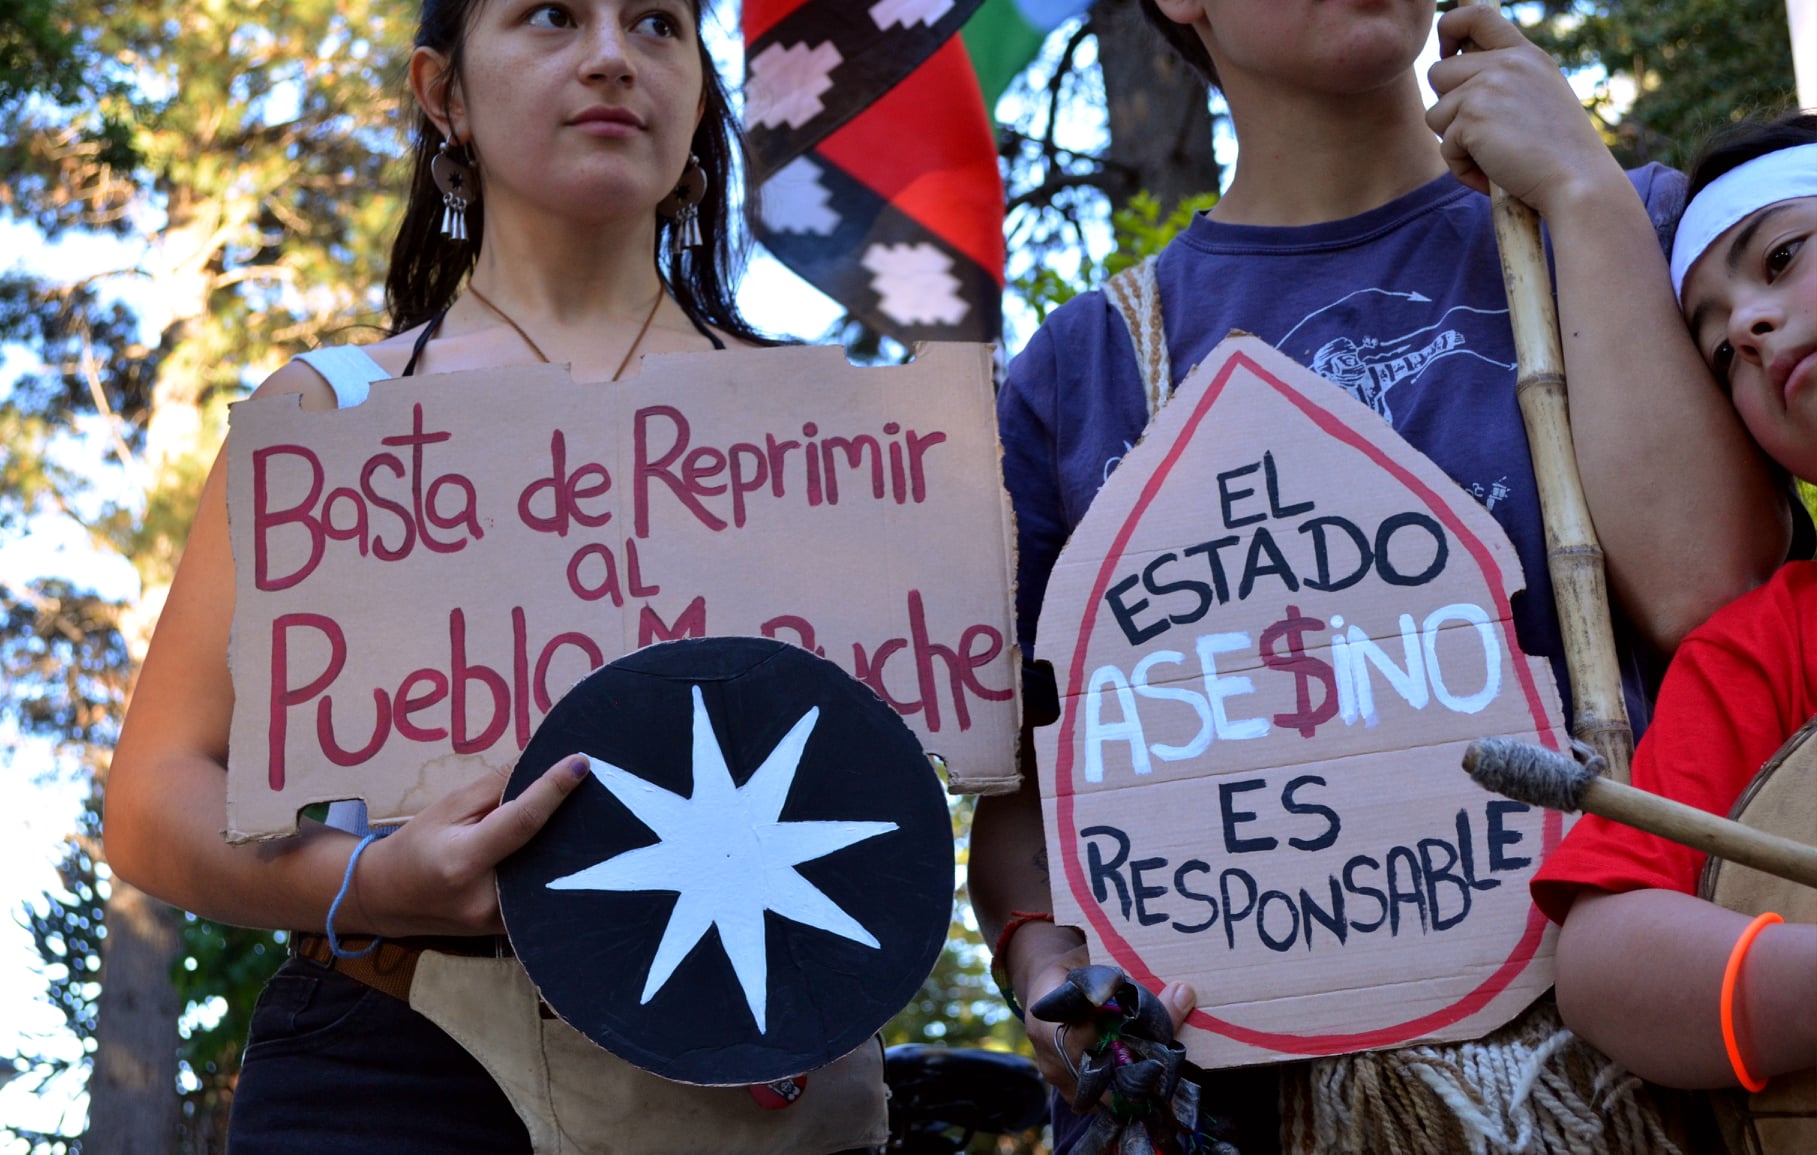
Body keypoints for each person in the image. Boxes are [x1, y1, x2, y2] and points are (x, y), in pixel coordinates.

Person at [968, 2, 1792, 1150]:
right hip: (1237, 1113)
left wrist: (1584, 195)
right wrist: (1048, 966)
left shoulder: (1624, 220)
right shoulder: (1081, 371)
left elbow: (1716, 601)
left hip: (1645, 1089)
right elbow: (1024, 785)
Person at [102, 1, 791, 1150]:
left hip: (755, 1060)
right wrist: (372, 881)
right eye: (553, 16)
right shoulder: (323, 415)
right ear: (444, 95)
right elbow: (151, 798)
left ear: (701, 93)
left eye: (660, 22)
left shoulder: (827, 435)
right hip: (389, 1059)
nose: (614, 55)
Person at [1531, 111, 1816, 1094]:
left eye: (1780, 257)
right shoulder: (1767, 645)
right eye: (1718, 354)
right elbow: (1604, 956)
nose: (1746, 325)